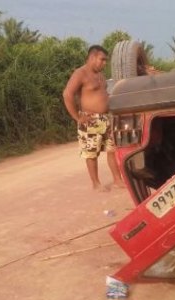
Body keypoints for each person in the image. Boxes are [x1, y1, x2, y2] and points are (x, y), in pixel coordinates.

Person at [63, 45, 125, 191]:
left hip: (106, 118)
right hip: (89, 120)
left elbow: (103, 95)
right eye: (102, 60)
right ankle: (96, 184)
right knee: (91, 153)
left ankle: (117, 179)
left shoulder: (100, 75)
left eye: (105, 61)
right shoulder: (80, 73)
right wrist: (77, 117)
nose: (104, 63)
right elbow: (67, 94)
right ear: (92, 57)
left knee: (112, 149)